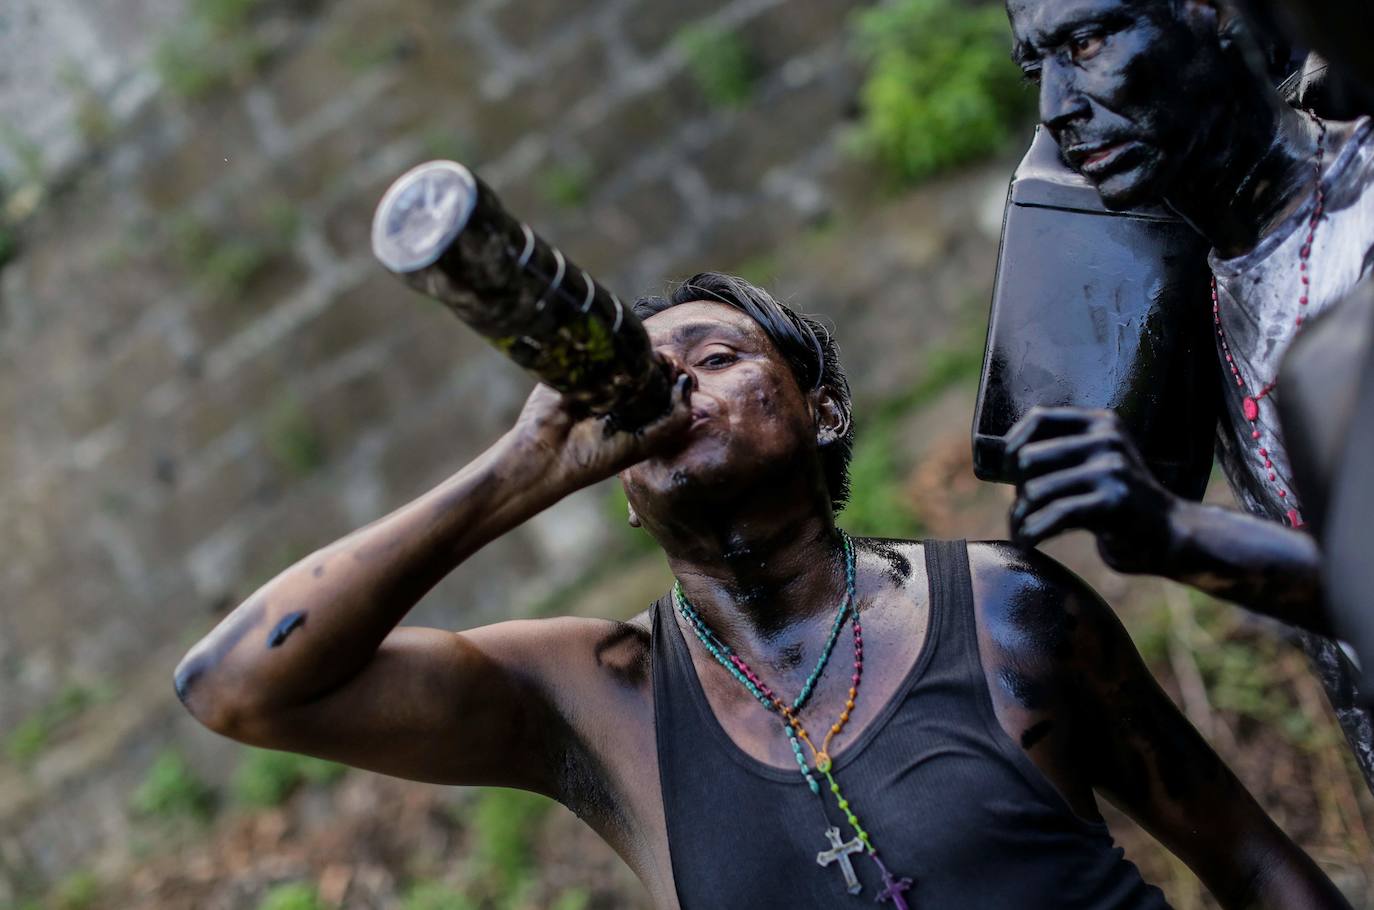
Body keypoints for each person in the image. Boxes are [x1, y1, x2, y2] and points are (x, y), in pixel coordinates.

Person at [175, 274, 1348, 907]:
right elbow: (238, 688)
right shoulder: (601, 702)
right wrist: (519, 470)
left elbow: (1248, 860)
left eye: (718, 356)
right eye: (647, 380)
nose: (674, 384)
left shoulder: (1002, 609)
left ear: (823, 408)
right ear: (623, 490)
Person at [1001, 0, 1374, 786]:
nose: (1055, 108)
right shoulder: (1184, 293)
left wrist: (1181, 537)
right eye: (1038, 67)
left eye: (1087, 42)